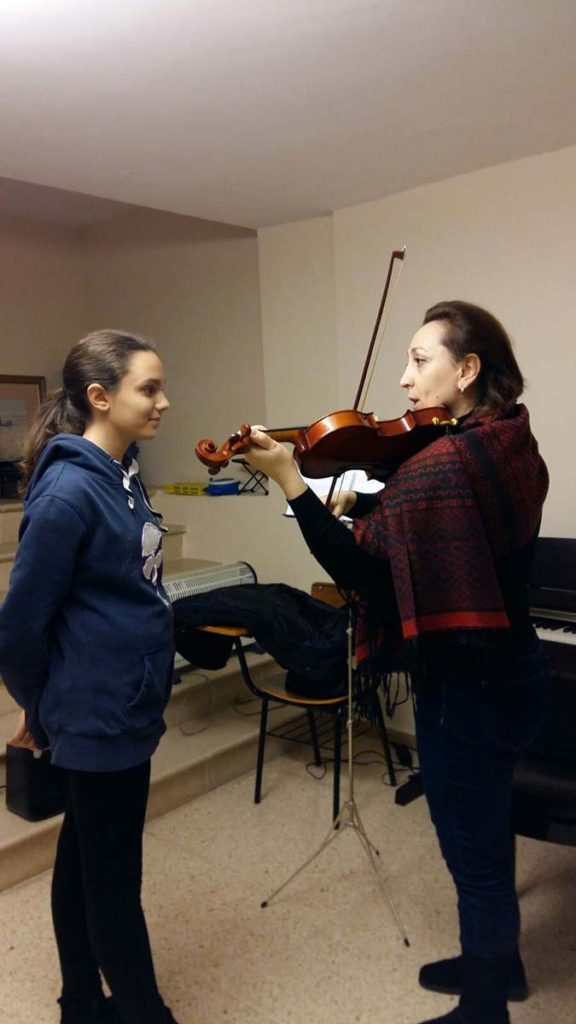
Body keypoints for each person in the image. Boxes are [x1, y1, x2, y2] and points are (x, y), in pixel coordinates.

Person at [243, 300, 550, 1024]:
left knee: (469, 846)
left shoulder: (439, 466)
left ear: (467, 369)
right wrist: (375, 512)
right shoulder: (509, 441)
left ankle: (485, 1008)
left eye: (420, 359)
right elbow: (450, 537)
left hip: (463, 683)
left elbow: (367, 578)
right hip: (514, 664)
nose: (404, 379)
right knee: (490, 819)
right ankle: (498, 966)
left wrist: (293, 481)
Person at [0, 331, 179, 1024]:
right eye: (149, 389)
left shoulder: (120, 472)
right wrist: (41, 707)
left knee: (81, 859)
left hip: (120, 704)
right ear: (100, 398)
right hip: (98, 713)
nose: (165, 401)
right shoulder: (70, 493)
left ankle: (80, 1001)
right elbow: (18, 628)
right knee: (113, 886)